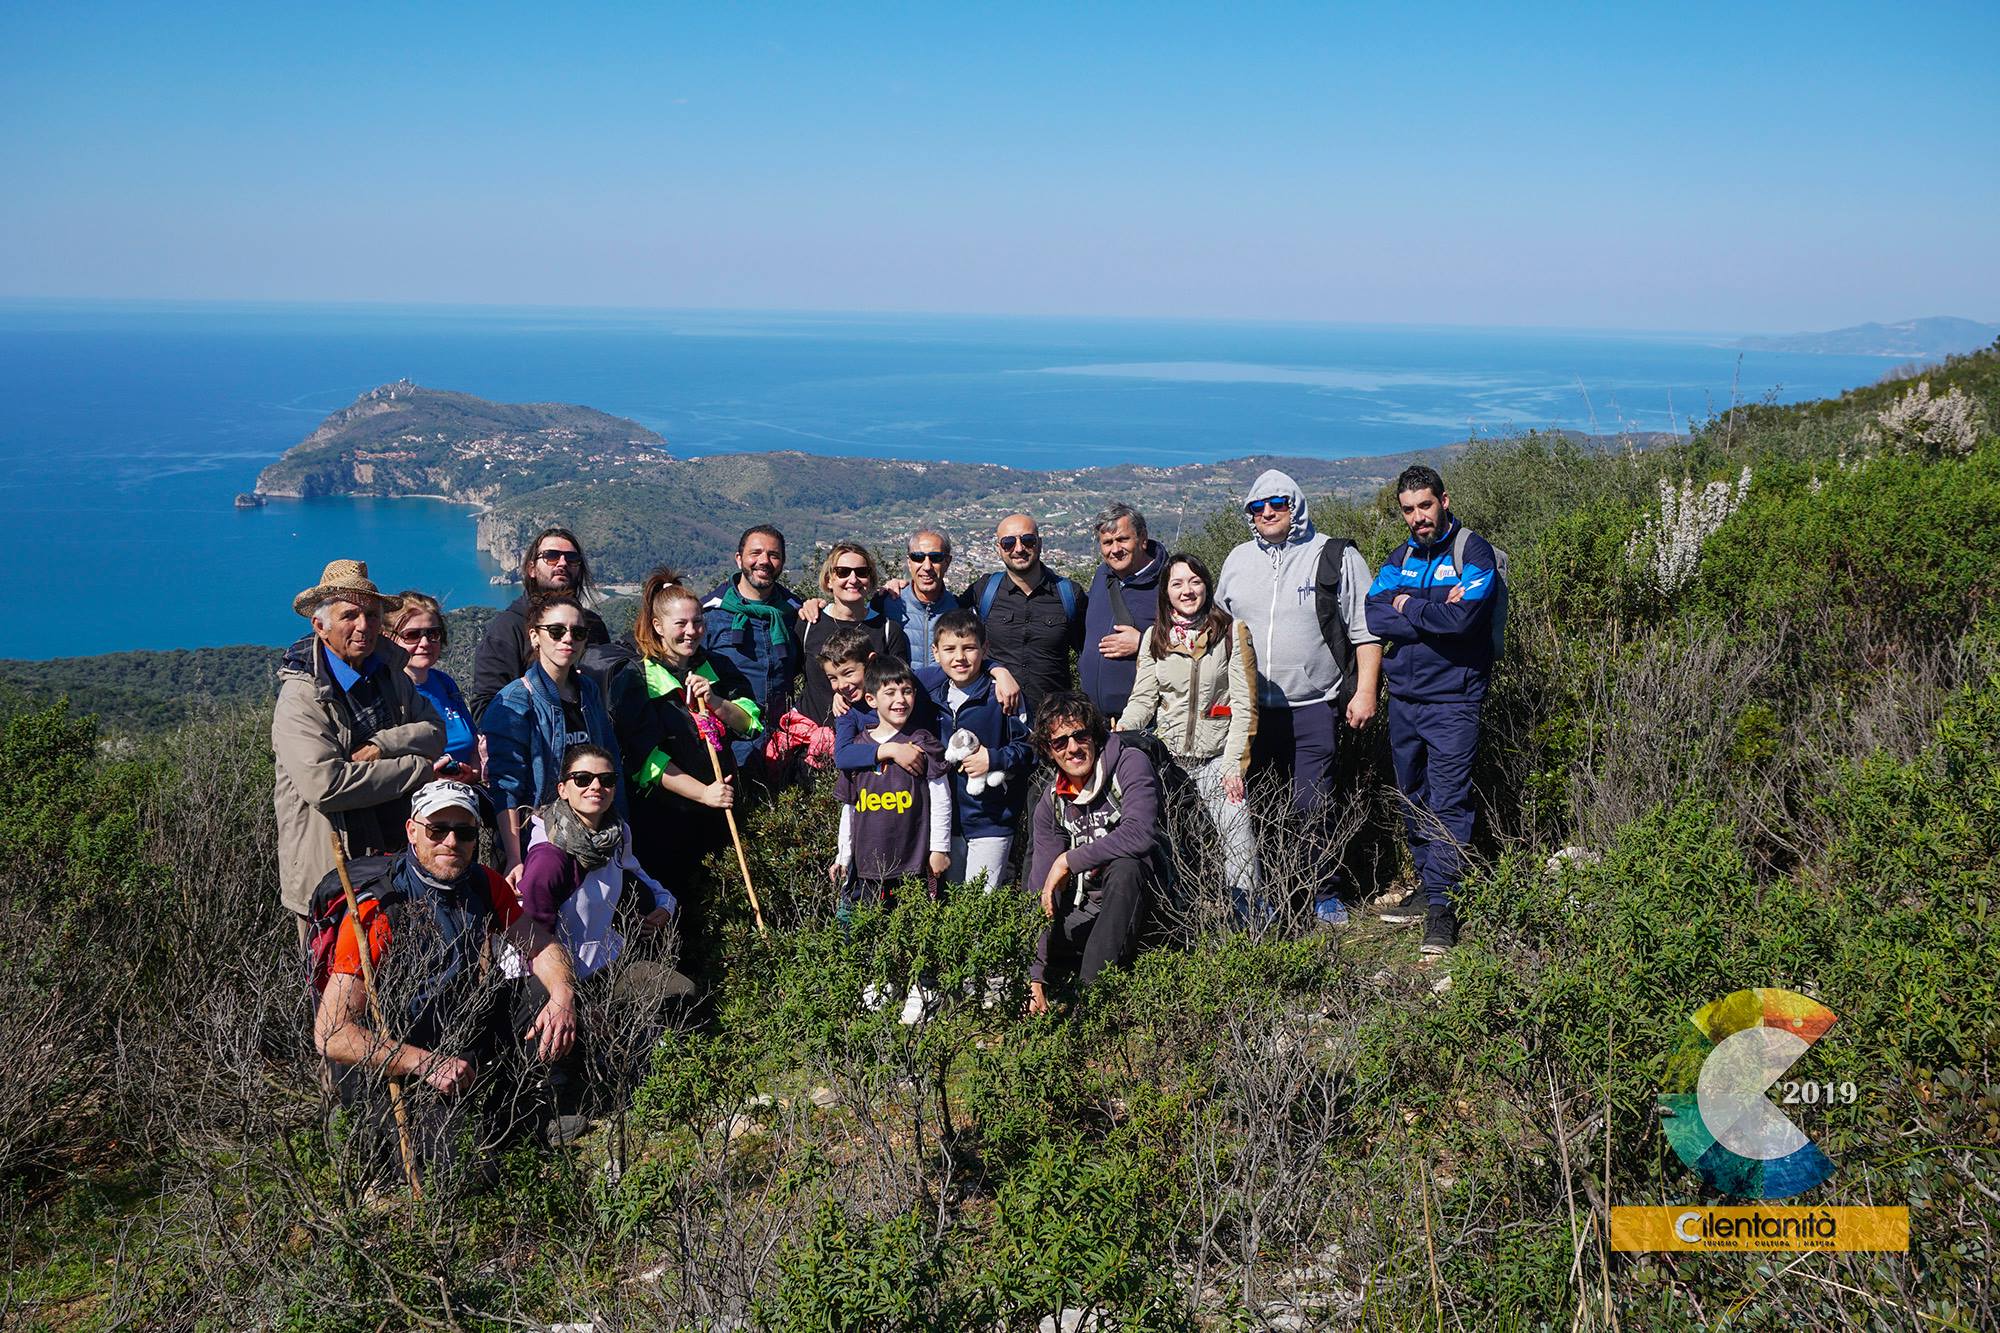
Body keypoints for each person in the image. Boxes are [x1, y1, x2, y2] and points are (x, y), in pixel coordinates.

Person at [311, 781, 576, 1175]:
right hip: (394, 1056)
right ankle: (367, 1133)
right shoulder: (379, 910)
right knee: (462, 1171)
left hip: (455, 1029)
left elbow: (538, 944)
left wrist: (563, 994)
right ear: (412, 832)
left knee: (541, 992)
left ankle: (529, 1109)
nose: (451, 841)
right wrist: (424, 1063)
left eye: (465, 831)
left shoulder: (483, 883)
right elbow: (331, 1032)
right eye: (437, 830)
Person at [1216, 469, 1382, 926]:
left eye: (1278, 503)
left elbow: (1366, 630)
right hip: (1253, 712)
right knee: (1261, 806)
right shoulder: (1237, 561)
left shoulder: (1334, 556)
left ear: (1296, 506)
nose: (1267, 512)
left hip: (1314, 704)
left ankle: (1323, 892)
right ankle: (1270, 893)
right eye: (1257, 506)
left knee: (1313, 803)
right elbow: (1217, 631)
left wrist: (1365, 690)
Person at [1364, 465, 1500, 956]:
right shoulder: (1399, 556)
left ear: (1443, 499)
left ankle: (1444, 909)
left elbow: (1464, 621)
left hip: (1453, 701)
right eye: (1408, 509)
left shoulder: (1473, 551)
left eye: (1425, 505)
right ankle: (1430, 885)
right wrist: (1431, 608)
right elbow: (1372, 612)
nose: (1418, 517)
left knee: (1449, 800)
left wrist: (1408, 607)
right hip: (1404, 701)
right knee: (1413, 798)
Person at [274, 559, 446, 942]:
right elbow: (327, 785)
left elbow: (434, 732)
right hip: (332, 880)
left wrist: (382, 745)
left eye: (371, 614)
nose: (364, 626)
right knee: (338, 991)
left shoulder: (388, 676)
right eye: (349, 615)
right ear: (320, 625)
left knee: (404, 980)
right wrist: (418, 770)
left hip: (395, 865)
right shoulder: (302, 697)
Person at [835, 609, 1032, 888]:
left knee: (982, 903)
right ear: (935, 653)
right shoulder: (928, 693)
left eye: (969, 648)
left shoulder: (1001, 695)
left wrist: (995, 759)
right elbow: (887, 691)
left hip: (991, 818)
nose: (959, 657)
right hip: (944, 822)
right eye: (950, 649)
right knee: (948, 903)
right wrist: (841, 694)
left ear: (984, 649)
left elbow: (1030, 749)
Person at [610, 570, 748, 950]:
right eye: (681, 624)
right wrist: (703, 793)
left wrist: (717, 702)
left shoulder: (716, 668)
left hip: (719, 814)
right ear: (657, 626)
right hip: (665, 822)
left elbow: (750, 723)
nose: (692, 631)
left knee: (719, 906)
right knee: (672, 910)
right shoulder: (636, 679)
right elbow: (648, 762)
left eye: (698, 621)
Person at [1117, 552, 1260, 910]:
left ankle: (1248, 918)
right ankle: (1177, 916)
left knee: (1238, 835)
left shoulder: (1231, 631)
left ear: (1207, 586)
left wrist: (1233, 765)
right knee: (1170, 842)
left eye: (1195, 581)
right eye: (1177, 583)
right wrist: (1121, 732)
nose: (1187, 590)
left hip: (1217, 761)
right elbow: (1144, 699)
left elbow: (1245, 704)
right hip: (1169, 762)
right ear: (1166, 591)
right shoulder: (1155, 636)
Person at [1024, 692, 1161, 1014]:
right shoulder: (1053, 800)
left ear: (1094, 735)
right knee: (1038, 930)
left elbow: (1140, 834)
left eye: (1080, 735)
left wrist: (1069, 860)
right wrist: (1033, 976)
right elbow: (1042, 887)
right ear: (1048, 750)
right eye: (1060, 742)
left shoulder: (1129, 763)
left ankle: (1090, 1002)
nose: (1073, 748)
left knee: (1127, 865)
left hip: (1144, 907)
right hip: (1087, 910)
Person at [480, 591, 625, 880]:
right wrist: (514, 858)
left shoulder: (589, 691)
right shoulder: (515, 701)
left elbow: (610, 762)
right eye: (556, 631)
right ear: (535, 636)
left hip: (594, 835)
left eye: (578, 632)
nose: (567, 639)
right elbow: (506, 787)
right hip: (543, 842)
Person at [829, 656, 951, 909]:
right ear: (871, 699)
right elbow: (849, 810)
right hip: (867, 868)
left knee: (913, 932)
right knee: (864, 933)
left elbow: (941, 799)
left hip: (914, 863)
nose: (900, 700)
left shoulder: (923, 742)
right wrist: (843, 856)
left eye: (907, 691)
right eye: (890, 692)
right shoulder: (858, 750)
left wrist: (939, 849)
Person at [468, 527, 611, 720]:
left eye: (572, 558)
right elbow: (486, 706)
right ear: (532, 569)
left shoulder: (593, 625)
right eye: (551, 556)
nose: (562, 563)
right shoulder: (507, 628)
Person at [962, 514, 1086, 722]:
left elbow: (1089, 654)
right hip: (997, 717)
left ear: (1040, 544)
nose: (1018, 548)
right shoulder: (984, 591)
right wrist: (900, 589)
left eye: (1027, 540)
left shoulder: (1069, 595)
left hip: (1054, 719)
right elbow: (944, 616)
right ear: (999, 549)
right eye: (1009, 542)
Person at [701, 525, 806, 768]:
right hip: (729, 747)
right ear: (739, 559)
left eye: (773, 555)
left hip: (785, 742)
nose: (764, 561)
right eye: (755, 553)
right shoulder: (709, 614)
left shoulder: (796, 613)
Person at [795, 542, 911, 725]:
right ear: (829, 580)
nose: (853, 579)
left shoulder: (887, 630)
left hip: (865, 739)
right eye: (842, 572)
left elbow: (898, 687)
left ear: (870, 580)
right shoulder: (809, 623)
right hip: (811, 738)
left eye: (861, 572)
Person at [1079, 504, 1167, 719]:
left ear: (1142, 538)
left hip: (1145, 720)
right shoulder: (1102, 576)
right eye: (1107, 543)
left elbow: (1197, 644)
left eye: (1123, 539)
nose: (1115, 549)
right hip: (1096, 718)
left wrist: (1143, 643)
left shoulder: (1170, 582)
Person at [385, 591, 482, 782]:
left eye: (433, 634)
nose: (425, 643)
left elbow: (473, 744)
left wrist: (473, 774)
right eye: (411, 635)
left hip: (465, 791)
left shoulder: (444, 683)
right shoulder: (386, 692)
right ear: (389, 638)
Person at [883, 528, 962, 671]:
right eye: (918, 557)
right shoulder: (886, 604)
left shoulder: (961, 608)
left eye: (935, 558)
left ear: (947, 562)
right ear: (909, 562)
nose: (927, 566)